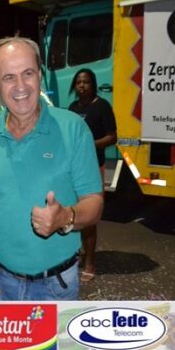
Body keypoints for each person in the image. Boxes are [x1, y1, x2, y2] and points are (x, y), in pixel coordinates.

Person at [0, 36, 103, 301]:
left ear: (40, 76)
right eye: (9, 77)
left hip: (56, 286)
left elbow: (94, 203)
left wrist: (65, 217)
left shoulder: (73, 128)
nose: (20, 86)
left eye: (28, 73)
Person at [69, 68, 117, 282]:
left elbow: (112, 137)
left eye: (86, 82)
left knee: (88, 218)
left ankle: (90, 263)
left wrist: (88, 144)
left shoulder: (102, 106)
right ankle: (78, 255)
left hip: (93, 167)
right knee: (73, 215)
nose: (82, 86)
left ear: (93, 84)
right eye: (79, 82)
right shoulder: (73, 108)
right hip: (73, 168)